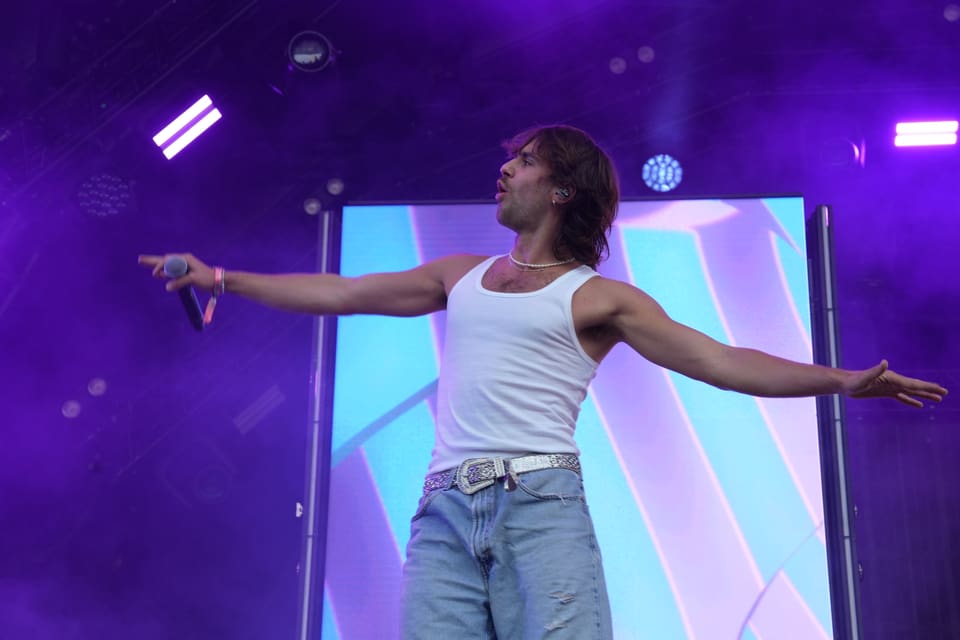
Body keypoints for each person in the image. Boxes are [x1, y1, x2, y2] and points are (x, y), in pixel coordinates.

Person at [139, 125, 947, 639]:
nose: (503, 169)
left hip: (539, 508)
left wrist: (842, 380)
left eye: (522, 162)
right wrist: (220, 277)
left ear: (560, 190)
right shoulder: (460, 274)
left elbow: (722, 362)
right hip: (443, 514)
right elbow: (343, 295)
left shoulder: (598, 297)